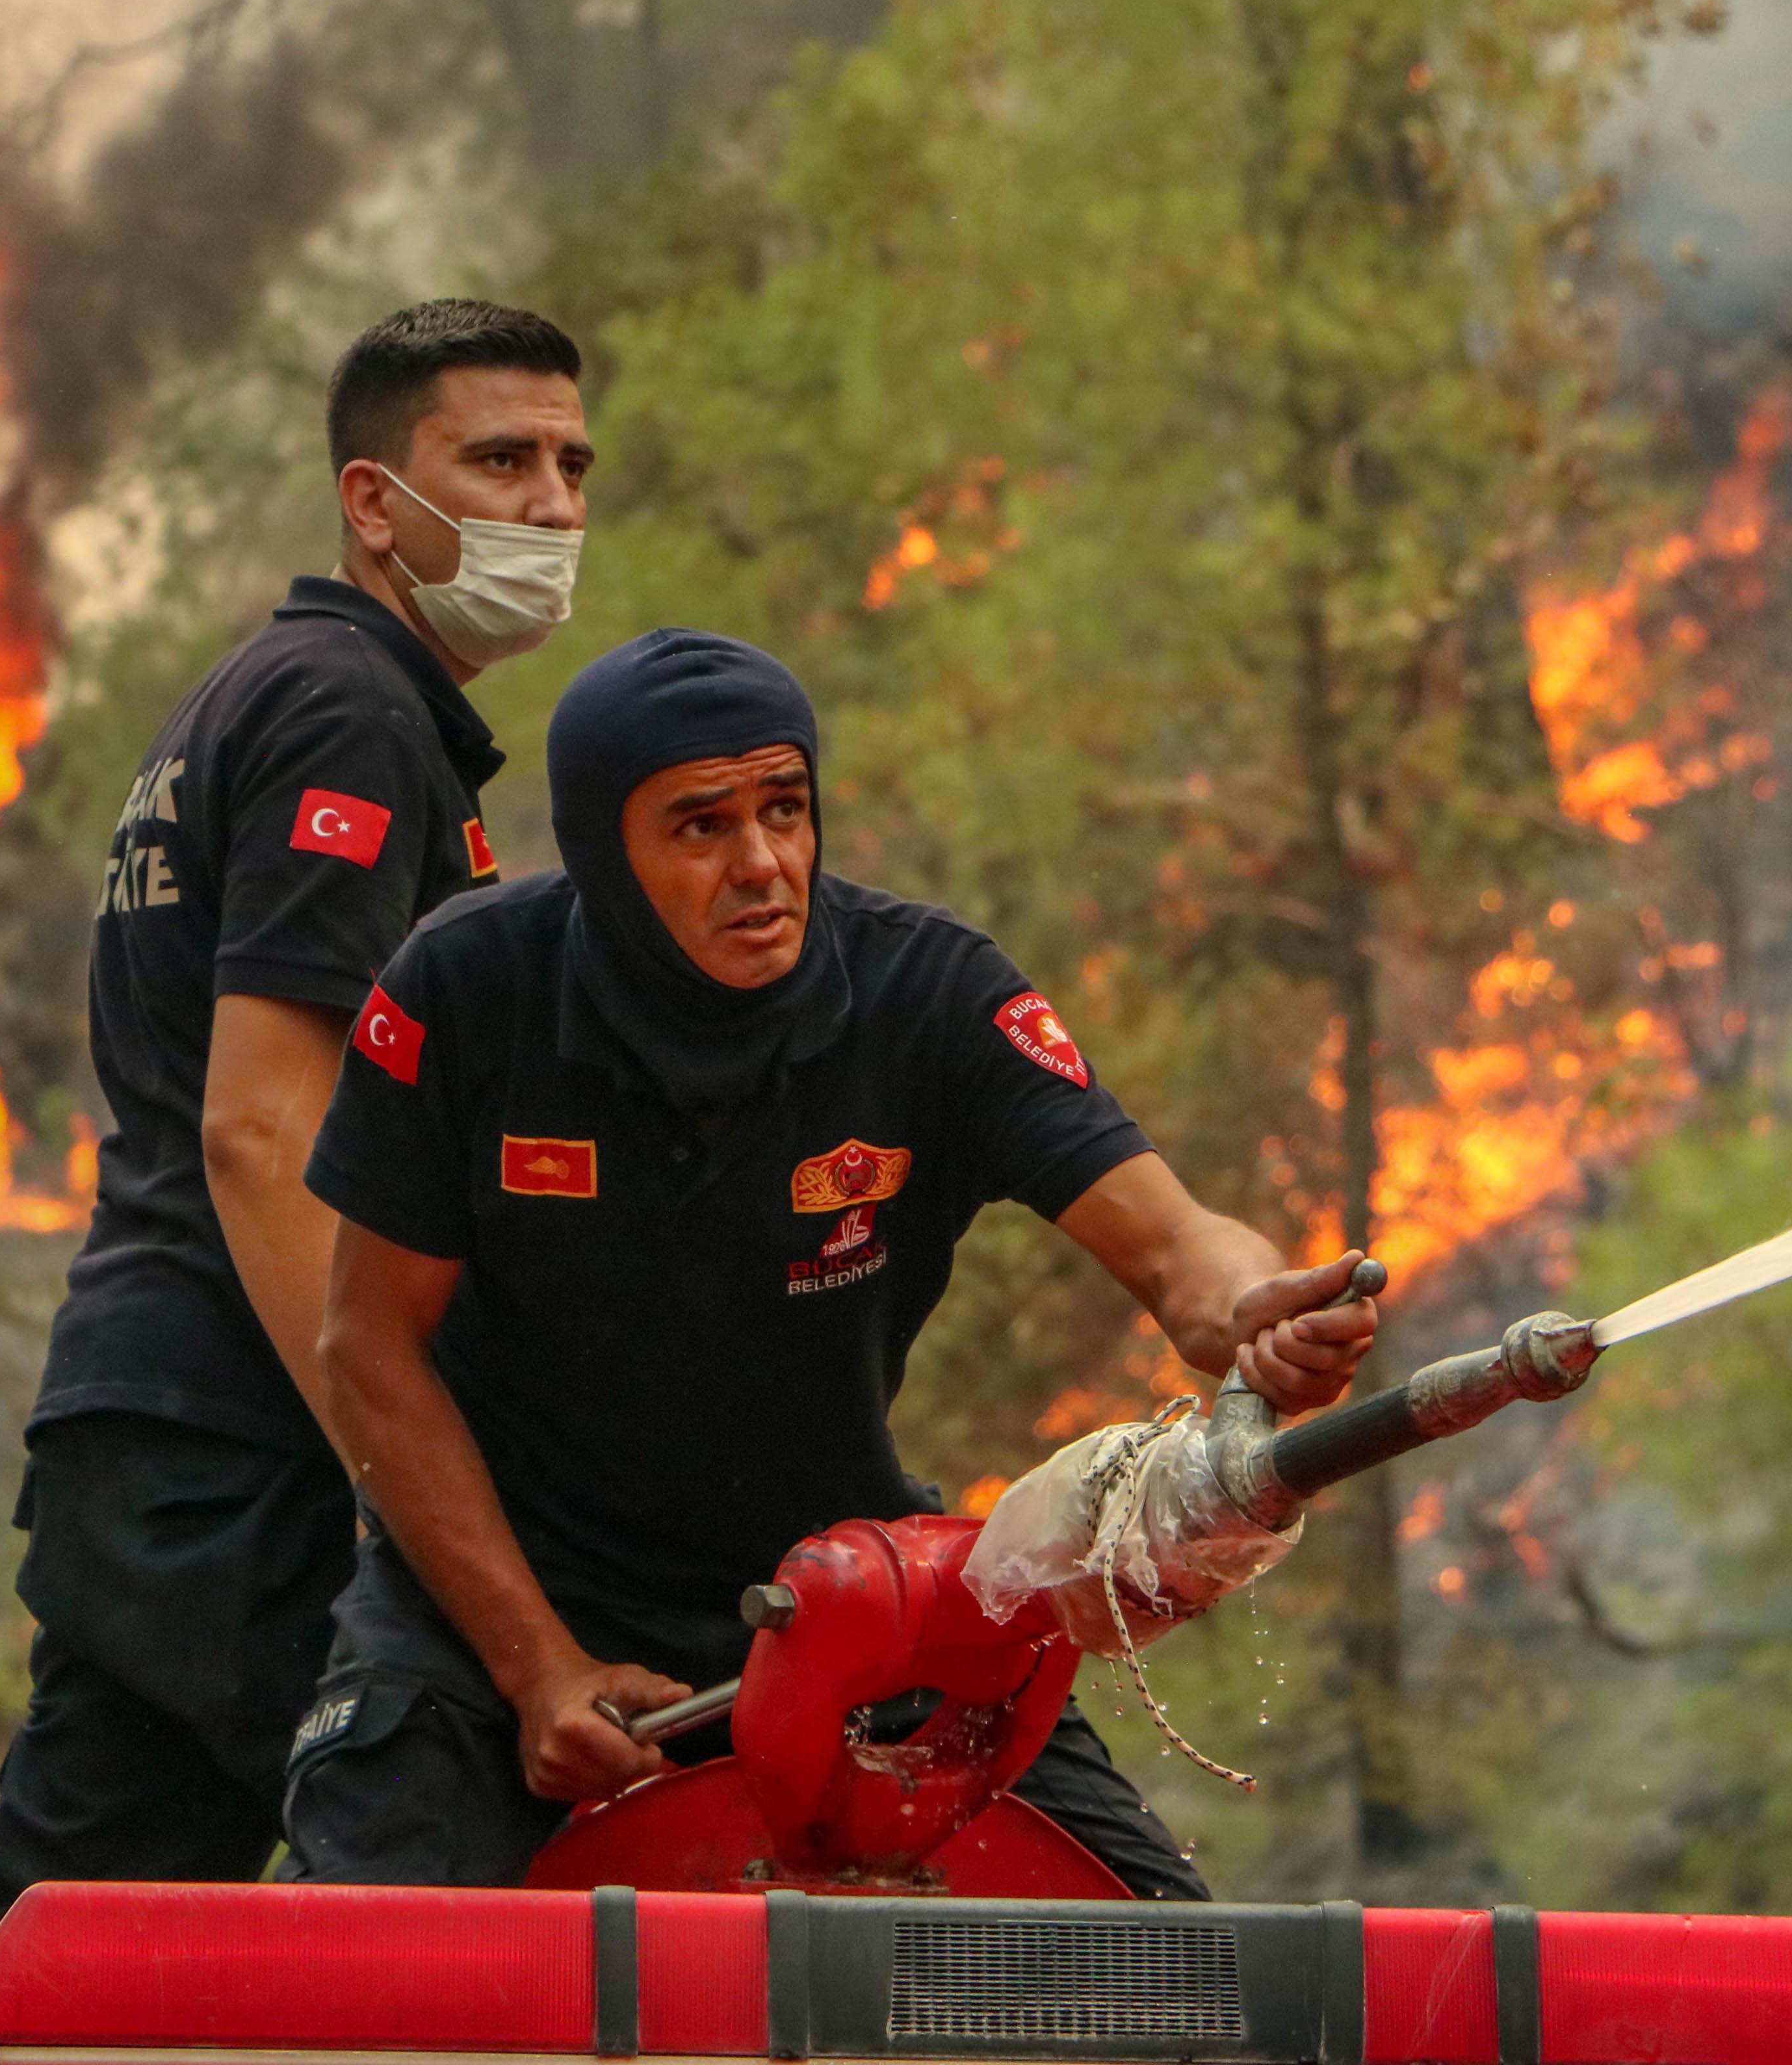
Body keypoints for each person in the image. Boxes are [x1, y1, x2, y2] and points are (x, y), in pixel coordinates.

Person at [278, 629, 1379, 1897]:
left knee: (1171, 1977)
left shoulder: (933, 992)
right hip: (489, 1618)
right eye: (701, 828)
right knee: (377, 1985)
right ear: (601, 855)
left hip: (847, 1605)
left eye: (785, 810)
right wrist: (537, 1666)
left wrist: (1254, 1310)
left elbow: (1183, 1247)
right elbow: (363, 1346)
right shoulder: (464, 992)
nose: (762, 865)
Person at [0, 300, 592, 2063]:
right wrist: (404, 1474)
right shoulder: (348, 713)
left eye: (572, 466)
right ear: (374, 500)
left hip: (141, 1448)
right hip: (248, 1460)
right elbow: (258, 1131)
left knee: (51, 2003)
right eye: (497, 462)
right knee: (481, 1890)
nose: (551, 507)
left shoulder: (278, 701)